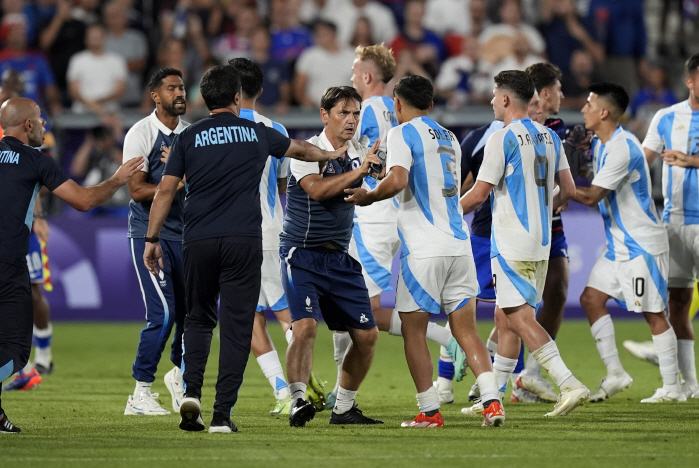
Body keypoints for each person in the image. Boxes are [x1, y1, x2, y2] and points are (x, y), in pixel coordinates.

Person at [142, 65, 345, 434]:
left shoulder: (188, 137)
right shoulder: (257, 132)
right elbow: (301, 149)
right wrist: (334, 155)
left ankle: (191, 394)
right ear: (237, 97)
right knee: (238, 326)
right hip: (244, 241)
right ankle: (222, 416)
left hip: (198, 240)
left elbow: (166, 191)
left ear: (203, 99)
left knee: (198, 320)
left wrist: (152, 239)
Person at [345, 75, 505, 428]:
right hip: (459, 245)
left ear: (397, 104)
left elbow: (400, 179)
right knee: (467, 332)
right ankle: (493, 403)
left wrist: (369, 195)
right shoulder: (450, 137)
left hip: (424, 249)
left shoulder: (401, 132)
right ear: (431, 104)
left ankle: (430, 411)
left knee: (414, 331)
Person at [0, 97, 143, 434]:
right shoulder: (36, 160)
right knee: (17, 353)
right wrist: (119, 178)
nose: (46, 125)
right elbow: (83, 200)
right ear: (28, 126)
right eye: (40, 118)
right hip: (7, 266)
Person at [460, 70, 588, 417]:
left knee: (517, 318)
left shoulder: (501, 139)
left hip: (512, 242)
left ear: (504, 99)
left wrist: (447, 216)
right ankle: (493, 396)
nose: (490, 101)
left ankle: (569, 383)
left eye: (493, 95)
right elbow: (571, 191)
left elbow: (478, 195)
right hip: (543, 241)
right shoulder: (550, 137)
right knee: (504, 317)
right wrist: (542, 206)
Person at [342, 44, 462, 410]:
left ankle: (446, 339)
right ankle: (341, 391)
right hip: (393, 214)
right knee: (350, 304)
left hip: (372, 217)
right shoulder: (401, 117)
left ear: (366, 76)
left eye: (354, 72)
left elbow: (343, 145)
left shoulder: (366, 110)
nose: (350, 78)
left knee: (362, 307)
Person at [227, 57, 327, 416]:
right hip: (273, 229)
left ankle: (288, 390)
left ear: (229, 91)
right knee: (286, 313)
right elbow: (283, 185)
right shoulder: (277, 130)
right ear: (260, 89)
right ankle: (301, 382)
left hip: (233, 234)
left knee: (251, 317)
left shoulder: (217, 130)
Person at [573, 82, 683, 403]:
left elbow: (593, 195)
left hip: (641, 245)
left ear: (604, 112)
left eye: (589, 105)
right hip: (618, 244)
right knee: (591, 299)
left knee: (654, 315)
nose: (583, 109)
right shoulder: (600, 143)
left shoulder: (623, 147)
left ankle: (672, 388)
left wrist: (559, 188)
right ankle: (617, 374)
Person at [279, 86, 382, 428]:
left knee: (367, 336)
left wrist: (375, 179)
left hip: (339, 257)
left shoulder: (360, 151)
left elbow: (366, 185)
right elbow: (318, 190)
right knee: (306, 327)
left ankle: (344, 408)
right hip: (302, 255)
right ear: (324, 115)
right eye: (343, 113)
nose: (351, 120)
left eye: (356, 113)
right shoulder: (308, 151)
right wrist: (361, 171)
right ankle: (296, 401)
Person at [631, 53, 699, 399]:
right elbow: (642, 162)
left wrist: (691, 161)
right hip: (674, 221)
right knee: (678, 301)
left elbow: (686, 160)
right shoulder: (667, 117)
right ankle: (688, 384)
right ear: (689, 81)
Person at [122, 68, 189, 416]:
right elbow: (136, 191)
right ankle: (139, 393)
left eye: (181, 87)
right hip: (150, 235)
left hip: (187, 235)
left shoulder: (191, 134)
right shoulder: (141, 134)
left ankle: (178, 376)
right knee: (163, 312)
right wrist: (177, 180)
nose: (179, 93)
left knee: (189, 313)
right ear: (155, 96)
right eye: (171, 88)